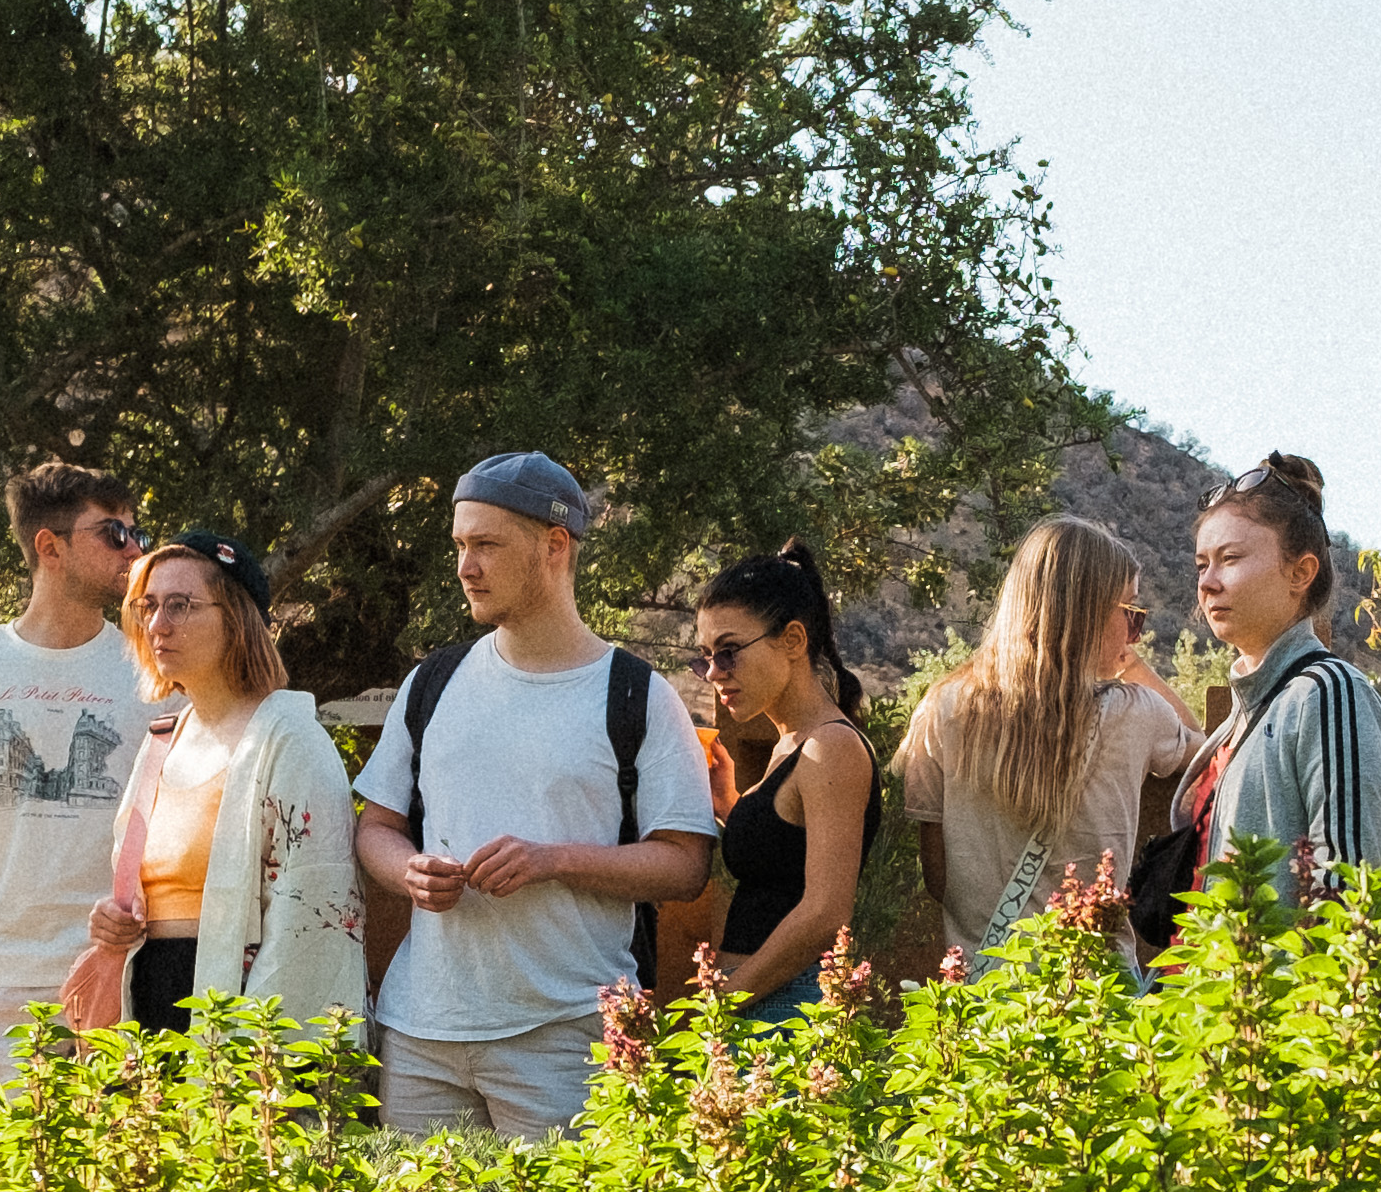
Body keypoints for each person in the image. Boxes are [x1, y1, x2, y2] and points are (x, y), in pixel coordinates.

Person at [349, 452, 720, 1138]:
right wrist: (407, 870)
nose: (465, 566)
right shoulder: (433, 680)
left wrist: (550, 861)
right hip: (420, 1031)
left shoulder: (638, 696)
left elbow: (685, 864)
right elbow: (376, 828)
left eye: (486, 544)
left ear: (555, 546)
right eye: (460, 545)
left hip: (567, 1036)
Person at [0, 462, 160, 1074]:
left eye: (135, 531)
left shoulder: (153, 671)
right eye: (112, 533)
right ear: (50, 547)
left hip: (121, 975)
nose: (135, 549)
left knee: (124, 1169)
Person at [59, 533, 368, 1037]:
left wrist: (254, 1053)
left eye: (180, 605)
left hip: (239, 1017)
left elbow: (313, 919)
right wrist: (115, 927)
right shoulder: (162, 740)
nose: (157, 625)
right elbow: (147, 902)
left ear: (238, 619)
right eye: (148, 606)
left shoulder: (291, 741)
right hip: (149, 1012)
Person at [900, 516, 1199, 968]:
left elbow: (937, 877)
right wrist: (1129, 663)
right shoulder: (1137, 713)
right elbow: (1204, 750)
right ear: (1088, 614)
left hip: (986, 999)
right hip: (1096, 999)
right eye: (1131, 615)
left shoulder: (941, 708)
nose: (1137, 632)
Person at [1168, 455, 1381, 933]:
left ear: (1300, 572)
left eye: (1229, 559)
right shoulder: (1243, 713)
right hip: (1200, 1001)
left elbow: (1345, 893)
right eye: (1202, 564)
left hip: (1262, 1003)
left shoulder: (1330, 694)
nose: (1207, 583)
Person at [688, 545, 877, 1016]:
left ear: (793, 641)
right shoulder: (791, 745)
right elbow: (784, 864)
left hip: (788, 1005)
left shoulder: (830, 748)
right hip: (764, 997)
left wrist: (723, 1005)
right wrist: (731, 804)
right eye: (706, 657)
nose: (714, 674)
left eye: (729, 653)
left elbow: (825, 914)